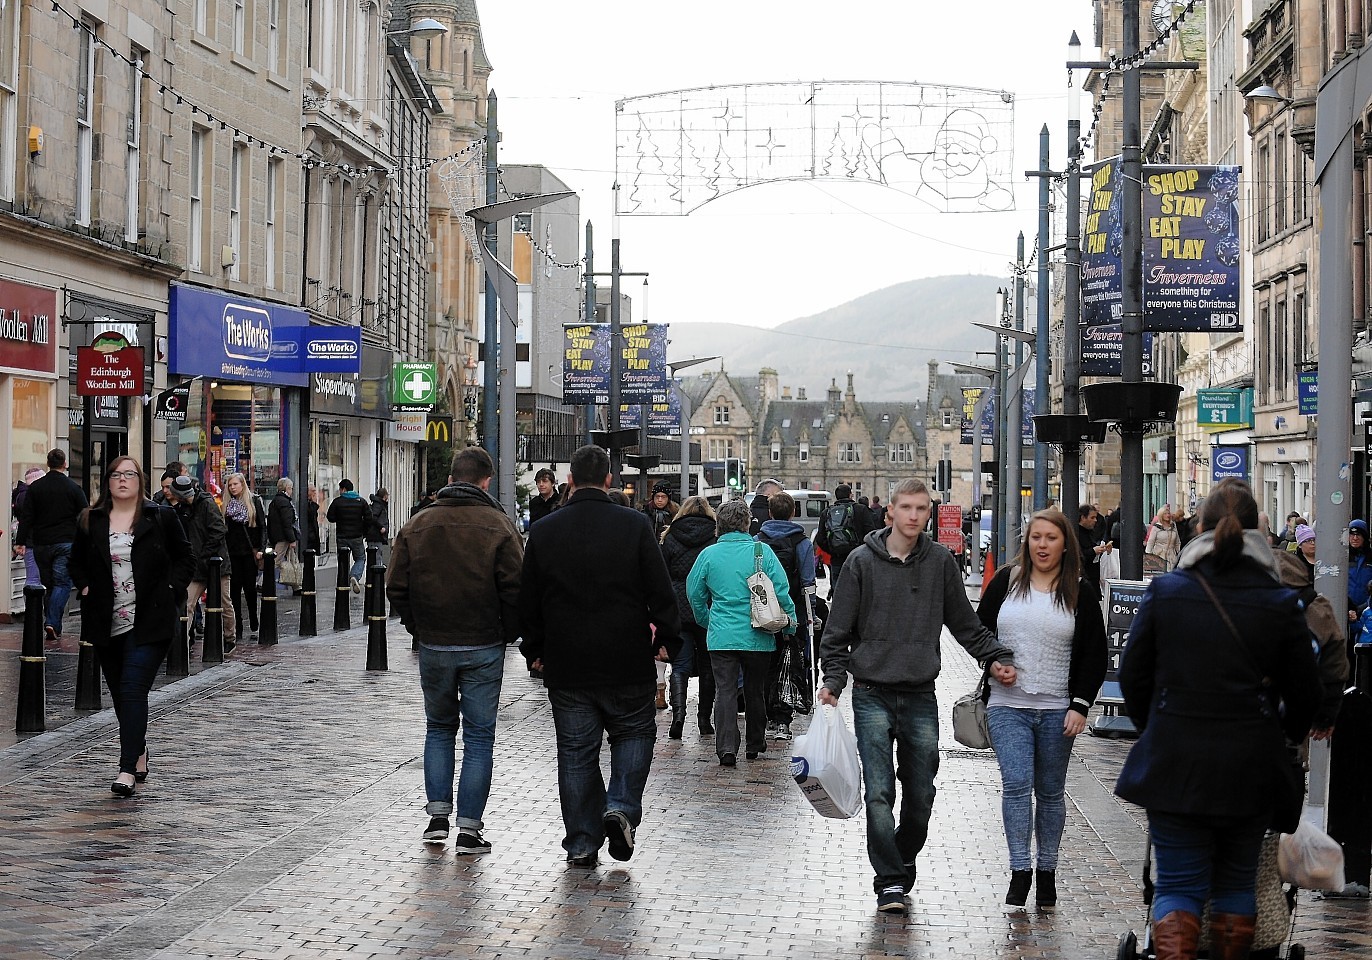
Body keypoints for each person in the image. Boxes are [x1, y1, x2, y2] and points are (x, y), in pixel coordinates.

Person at [1114, 479, 1320, 960]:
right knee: (1234, 882)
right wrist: (1281, 735)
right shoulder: (1279, 604)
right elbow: (1306, 694)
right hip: (1250, 765)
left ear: (1200, 528)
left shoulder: (1167, 592)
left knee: (1179, 883)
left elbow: (1132, 677)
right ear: (1258, 534)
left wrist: (1157, 727)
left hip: (1175, 759)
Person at [819, 478, 1017, 914]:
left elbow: (965, 625)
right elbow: (836, 633)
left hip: (920, 693)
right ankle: (889, 879)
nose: (913, 516)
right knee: (878, 790)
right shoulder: (859, 563)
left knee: (922, 793)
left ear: (929, 513)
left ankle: (903, 853)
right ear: (890, 512)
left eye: (921, 509)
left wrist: (995, 657)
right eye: (905, 507)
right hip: (871, 691)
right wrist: (833, 682)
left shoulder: (940, 562)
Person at [518, 444, 682, 867]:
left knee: (576, 752)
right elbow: (659, 589)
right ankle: (621, 806)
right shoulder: (635, 526)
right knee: (634, 734)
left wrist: (534, 649)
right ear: (609, 480)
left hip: (567, 661)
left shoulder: (546, 530)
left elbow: (530, 599)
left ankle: (581, 842)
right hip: (626, 656)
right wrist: (667, 637)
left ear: (569, 480)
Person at [388, 447, 523, 854]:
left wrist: (419, 626)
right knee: (479, 737)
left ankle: (436, 819)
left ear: (450, 479)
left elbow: (396, 586)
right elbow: (516, 588)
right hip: (483, 644)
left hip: (435, 644)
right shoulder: (499, 525)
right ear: (486, 481)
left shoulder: (418, 524)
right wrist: (506, 632)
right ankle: (468, 829)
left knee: (439, 728)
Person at [977, 509, 1108, 911]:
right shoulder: (1007, 582)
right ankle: (1020, 872)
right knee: (1016, 785)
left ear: (1065, 543)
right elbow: (978, 631)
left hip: (1057, 709)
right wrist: (995, 662)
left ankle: (1046, 871)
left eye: (1051, 538)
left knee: (1050, 793)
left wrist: (1081, 705)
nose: (1042, 545)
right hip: (1007, 705)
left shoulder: (1080, 591)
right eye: (1036, 537)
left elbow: (1094, 653)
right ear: (1027, 542)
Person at [69, 457, 193, 796]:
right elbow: (75, 561)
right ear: (107, 482)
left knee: (133, 689)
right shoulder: (91, 519)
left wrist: (172, 589)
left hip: (149, 620)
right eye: (116, 475)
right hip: (106, 621)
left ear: (140, 480)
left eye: (129, 474)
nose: (122, 480)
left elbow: (186, 557)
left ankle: (125, 770)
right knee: (122, 695)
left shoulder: (159, 516)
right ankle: (138, 750)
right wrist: (84, 586)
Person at [687, 498, 795, 766]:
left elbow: (694, 593)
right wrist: (790, 619)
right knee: (755, 689)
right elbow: (781, 590)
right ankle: (754, 743)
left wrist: (707, 619)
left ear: (719, 525)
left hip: (721, 635)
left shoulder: (708, 555)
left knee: (724, 690)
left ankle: (725, 748)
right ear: (747, 523)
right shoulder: (762, 552)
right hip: (757, 635)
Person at [755, 490, 817, 741]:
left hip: (762, 610)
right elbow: (807, 582)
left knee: (765, 664)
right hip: (792, 611)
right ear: (793, 513)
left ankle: (766, 714)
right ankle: (783, 720)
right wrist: (810, 612)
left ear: (769, 513)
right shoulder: (801, 543)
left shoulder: (758, 540)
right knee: (789, 663)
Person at [1276, 530, 1346, 742]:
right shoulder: (1316, 606)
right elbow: (1334, 663)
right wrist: (1327, 713)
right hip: (1294, 716)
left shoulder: (1242, 599)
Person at [658, 496, 718, 739]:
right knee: (707, 666)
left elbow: (662, 574)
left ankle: (679, 716)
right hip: (706, 604)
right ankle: (704, 719)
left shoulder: (671, 536)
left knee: (680, 665)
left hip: (678, 606)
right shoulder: (715, 537)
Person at [16, 448, 89, 641]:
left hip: (41, 544)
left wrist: (20, 541)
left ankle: (52, 623)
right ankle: (52, 622)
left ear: (48, 464)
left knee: (49, 584)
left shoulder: (36, 488)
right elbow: (85, 516)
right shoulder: (73, 488)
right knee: (62, 583)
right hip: (65, 542)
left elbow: (27, 517)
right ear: (65, 464)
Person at [167, 473, 235, 650]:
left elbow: (219, 530)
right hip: (196, 565)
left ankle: (229, 638)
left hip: (215, 563)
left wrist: (205, 555)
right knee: (188, 603)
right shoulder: (181, 509)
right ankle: (180, 641)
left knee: (224, 602)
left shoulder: (206, 504)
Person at [222, 473, 266, 644]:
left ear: (242, 485)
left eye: (235, 484)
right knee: (233, 591)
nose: (232, 487)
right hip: (232, 552)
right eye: (230, 485)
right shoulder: (226, 505)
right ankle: (237, 626)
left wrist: (261, 549)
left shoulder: (253, 501)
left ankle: (254, 620)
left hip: (249, 552)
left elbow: (262, 526)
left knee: (250, 589)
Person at [816, 482, 874, 587]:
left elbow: (820, 539)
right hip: (858, 558)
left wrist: (833, 549)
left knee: (838, 592)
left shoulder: (827, 512)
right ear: (850, 495)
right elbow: (871, 533)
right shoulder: (861, 509)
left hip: (837, 559)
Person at [326, 479, 371, 594]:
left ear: (343, 489)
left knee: (343, 560)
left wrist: (340, 518)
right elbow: (369, 518)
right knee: (360, 558)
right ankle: (354, 575)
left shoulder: (337, 502)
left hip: (342, 536)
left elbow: (330, 517)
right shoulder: (361, 501)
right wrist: (364, 532)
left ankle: (343, 584)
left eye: (340, 489)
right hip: (356, 536)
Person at [13, 466, 43, 584]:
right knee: (34, 579)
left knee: (34, 579)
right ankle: (32, 602)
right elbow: (27, 520)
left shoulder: (22, 495)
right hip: (31, 542)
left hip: (30, 542)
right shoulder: (27, 496)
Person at [266, 477, 299, 573]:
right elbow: (287, 522)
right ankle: (262, 582)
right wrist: (292, 539)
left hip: (278, 536)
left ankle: (297, 585)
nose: (292, 491)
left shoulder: (275, 501)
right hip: (283, 537)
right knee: (276, 560)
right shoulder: (285, 502)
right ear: (287, 488)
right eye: (291, 488)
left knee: (293, 561)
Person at [1075, 503, 1110, 588]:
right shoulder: (1077, 533)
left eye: (1095, 517)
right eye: (1092, 517)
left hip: (1093, 576)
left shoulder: (1091, 532)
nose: (1095, 520)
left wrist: (1103, 550)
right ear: (1083, 518)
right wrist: (1093, 551)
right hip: (1085, 576)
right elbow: (1078, 554)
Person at [1144, 505, 1182, 573]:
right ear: (1161, 515)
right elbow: (1150, 542)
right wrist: (1148, 556)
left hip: (1171, 557)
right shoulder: (1156, 527)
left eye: (1168, 513)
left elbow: (1177, 542)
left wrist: (1179, 554)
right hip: (1158, 556)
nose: (1167, 515)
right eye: (1165, 513)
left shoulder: (1173, 526)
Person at [367, 487, 391, 565]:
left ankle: (374, 575)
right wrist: (381, 527)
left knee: (375, 557)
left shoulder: (378, 504)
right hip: (376, 535)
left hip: (374, 535)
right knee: (377, 557)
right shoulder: (378, 505)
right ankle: (376, 576)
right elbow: (373, 517)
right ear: (384, 496)